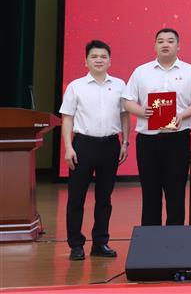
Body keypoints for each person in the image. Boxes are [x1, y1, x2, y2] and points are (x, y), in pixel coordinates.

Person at [122, 28, 191, 226]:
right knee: (150, 190)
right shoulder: (141, 72)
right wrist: (141, 111)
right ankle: (150, 237)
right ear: (154, 46)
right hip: (148, 140)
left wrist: (182, 115)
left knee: (176, 190)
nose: (165, 44)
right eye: (160, 41)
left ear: (178, 46)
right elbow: (127, 100)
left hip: (178, 138)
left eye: (170, 41)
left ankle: (174, 236)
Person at [60, 40, 129, 261]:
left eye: (103, 56)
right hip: (83, 145)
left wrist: (125, 142)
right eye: (94, 56)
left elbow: (124, 115)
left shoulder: (119, 85)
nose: (99, 60)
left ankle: (100, 242)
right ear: (86, 61)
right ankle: (76, 245)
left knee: (104, 198)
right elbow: (67, 118)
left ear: (110, 61)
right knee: (76, 198)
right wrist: (68, 147)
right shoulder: (76, 86)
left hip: (110, 145)